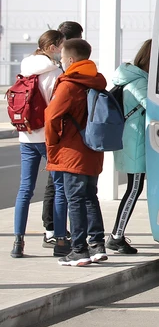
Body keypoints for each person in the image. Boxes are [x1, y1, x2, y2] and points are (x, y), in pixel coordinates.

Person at [45, 39, 110, 267]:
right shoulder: (96, 82)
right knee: (91, 196)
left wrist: (52, 145)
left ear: (71, 60)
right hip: (93, 148)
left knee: (75, 199)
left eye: (62, 58)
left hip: (72, 150)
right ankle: (97, 245)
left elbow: (51, 117)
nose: (60, 61)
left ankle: (79, 250)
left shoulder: (69, 85)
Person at [10, 31, 69, 259]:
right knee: (60, 187)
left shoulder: (25, 67)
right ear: (53, 47)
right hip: (48, 138)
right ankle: (61, 241)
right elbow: (59, 106)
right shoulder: (54, 72)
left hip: (26, 137)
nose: (63, 50)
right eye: (62, 46)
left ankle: (18, 242)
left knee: (25, 190)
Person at [39, 21, 84, 245]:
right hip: (57, 136)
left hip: (31, 134)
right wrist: (54, 141)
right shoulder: (58, 74)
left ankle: (49, 229)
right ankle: (56, 232)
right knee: (61, 187)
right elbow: (54, 113)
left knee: (44, 184)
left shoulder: (31, 66)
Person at [107, 39, 151, 255]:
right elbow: (154, 108)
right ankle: (116, 236)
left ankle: (116, 234)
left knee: (134, 189)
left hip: (131, 141)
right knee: (133, 190)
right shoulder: (139, 83)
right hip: (135, 144)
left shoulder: (130, 78)